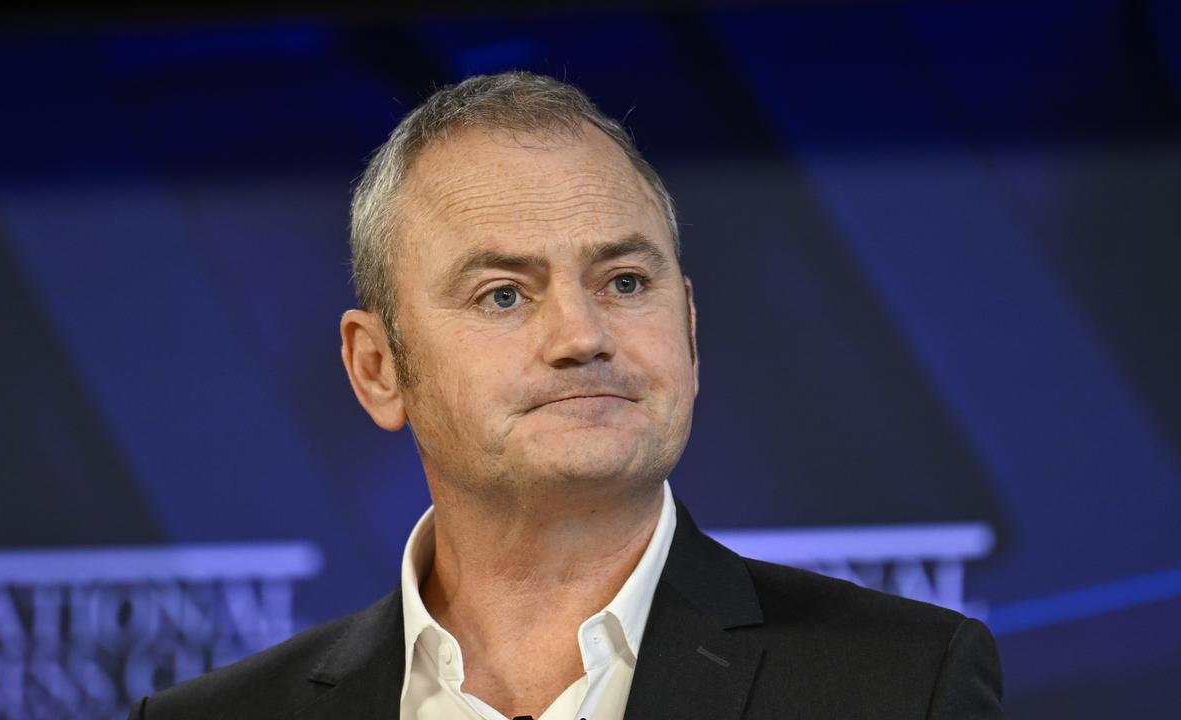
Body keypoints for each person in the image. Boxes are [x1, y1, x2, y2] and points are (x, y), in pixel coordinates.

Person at [131, 71, 1003, 719]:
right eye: (503, 294)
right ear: (378, 368)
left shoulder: (902, 684)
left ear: (690, 331)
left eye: (625, 281)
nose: (583, 336)